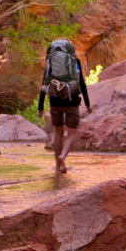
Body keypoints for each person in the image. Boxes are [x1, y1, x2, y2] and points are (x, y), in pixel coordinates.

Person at [37, 38, 90, 173]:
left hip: (55, 102)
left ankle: (57, 164)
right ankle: (63, 156)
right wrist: (88, 104)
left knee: (58, 132)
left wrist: (40, 107)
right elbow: (81, 84)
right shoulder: (75, 62)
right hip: (71, 101)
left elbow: (44, 84)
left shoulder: (50, 63)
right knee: (71, 133)